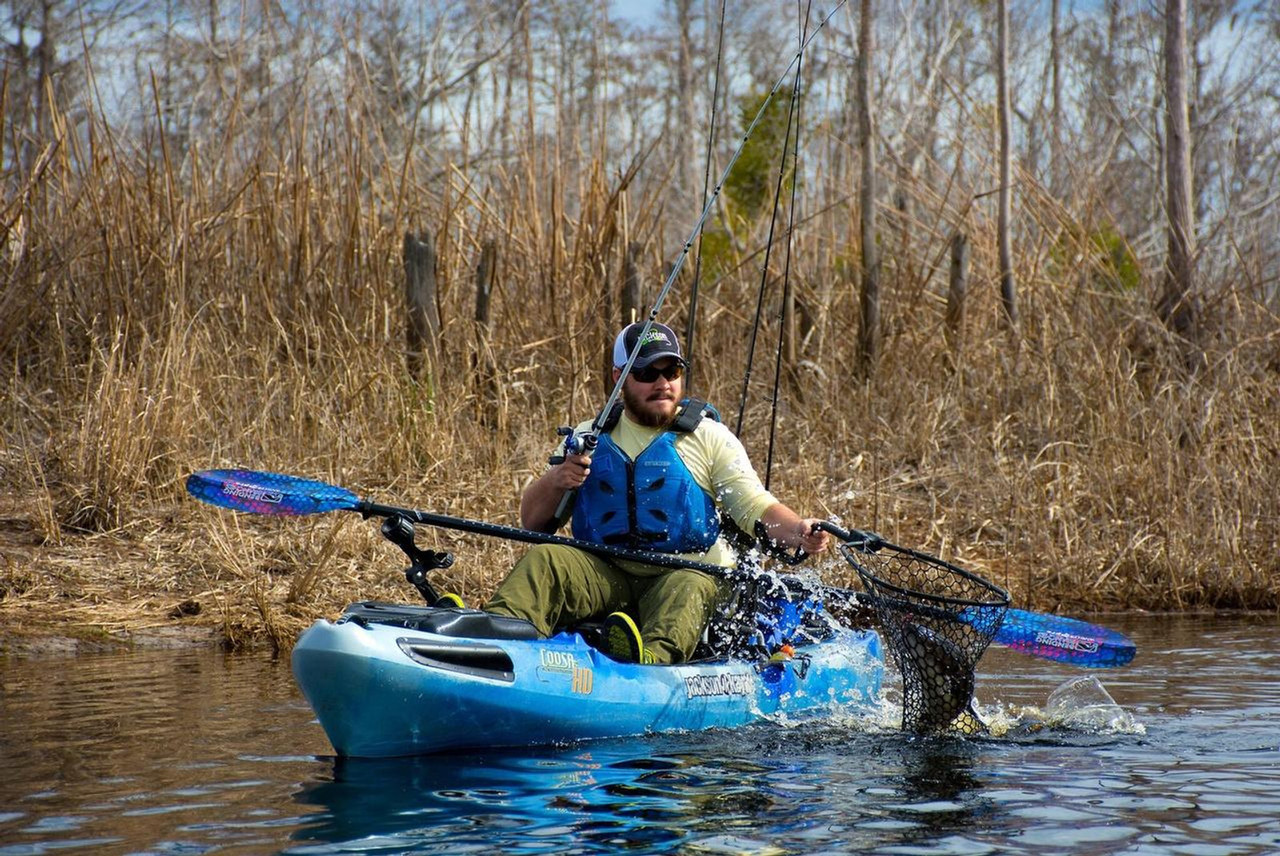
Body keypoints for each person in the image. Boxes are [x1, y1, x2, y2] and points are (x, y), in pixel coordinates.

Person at [484, 321, 830, 664]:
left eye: (673, 371)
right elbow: (532, 522)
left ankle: (648, 663)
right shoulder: (587, 438)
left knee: (687, 587)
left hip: (684, 573)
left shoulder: (709, 438)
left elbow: (757, 507)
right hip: (607, 573)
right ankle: (493, 635)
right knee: (548, 559)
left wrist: (799, 530)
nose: (663, 383)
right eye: (647, 373)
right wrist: (558, 477)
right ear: (619, 376)